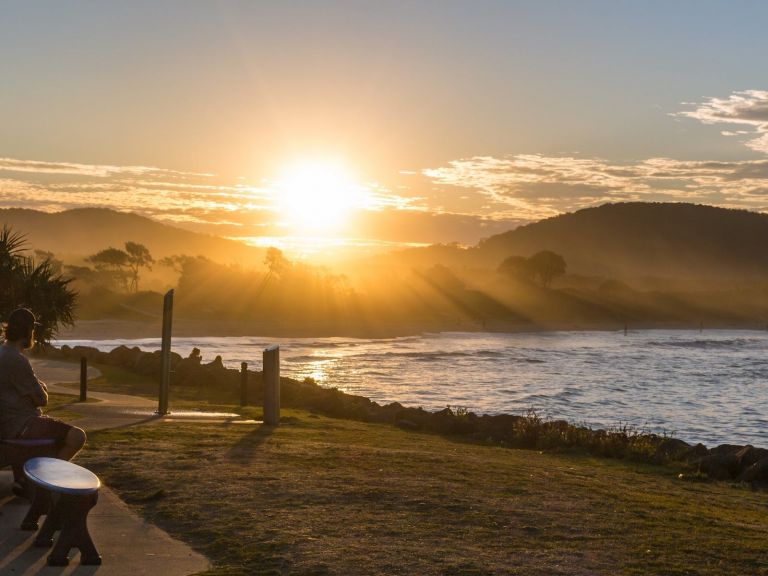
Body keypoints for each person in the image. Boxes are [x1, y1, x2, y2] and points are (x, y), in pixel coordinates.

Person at [0, 308, 86, 463]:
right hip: (22, 425)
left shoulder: (3, 353)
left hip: (9, 424)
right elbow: (42, 399)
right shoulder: (16, 360)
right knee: (77, 436)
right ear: (28, 331)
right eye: (32, 329)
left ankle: (31, 478)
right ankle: (53, 477)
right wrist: (42, 387)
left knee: (56, 433)